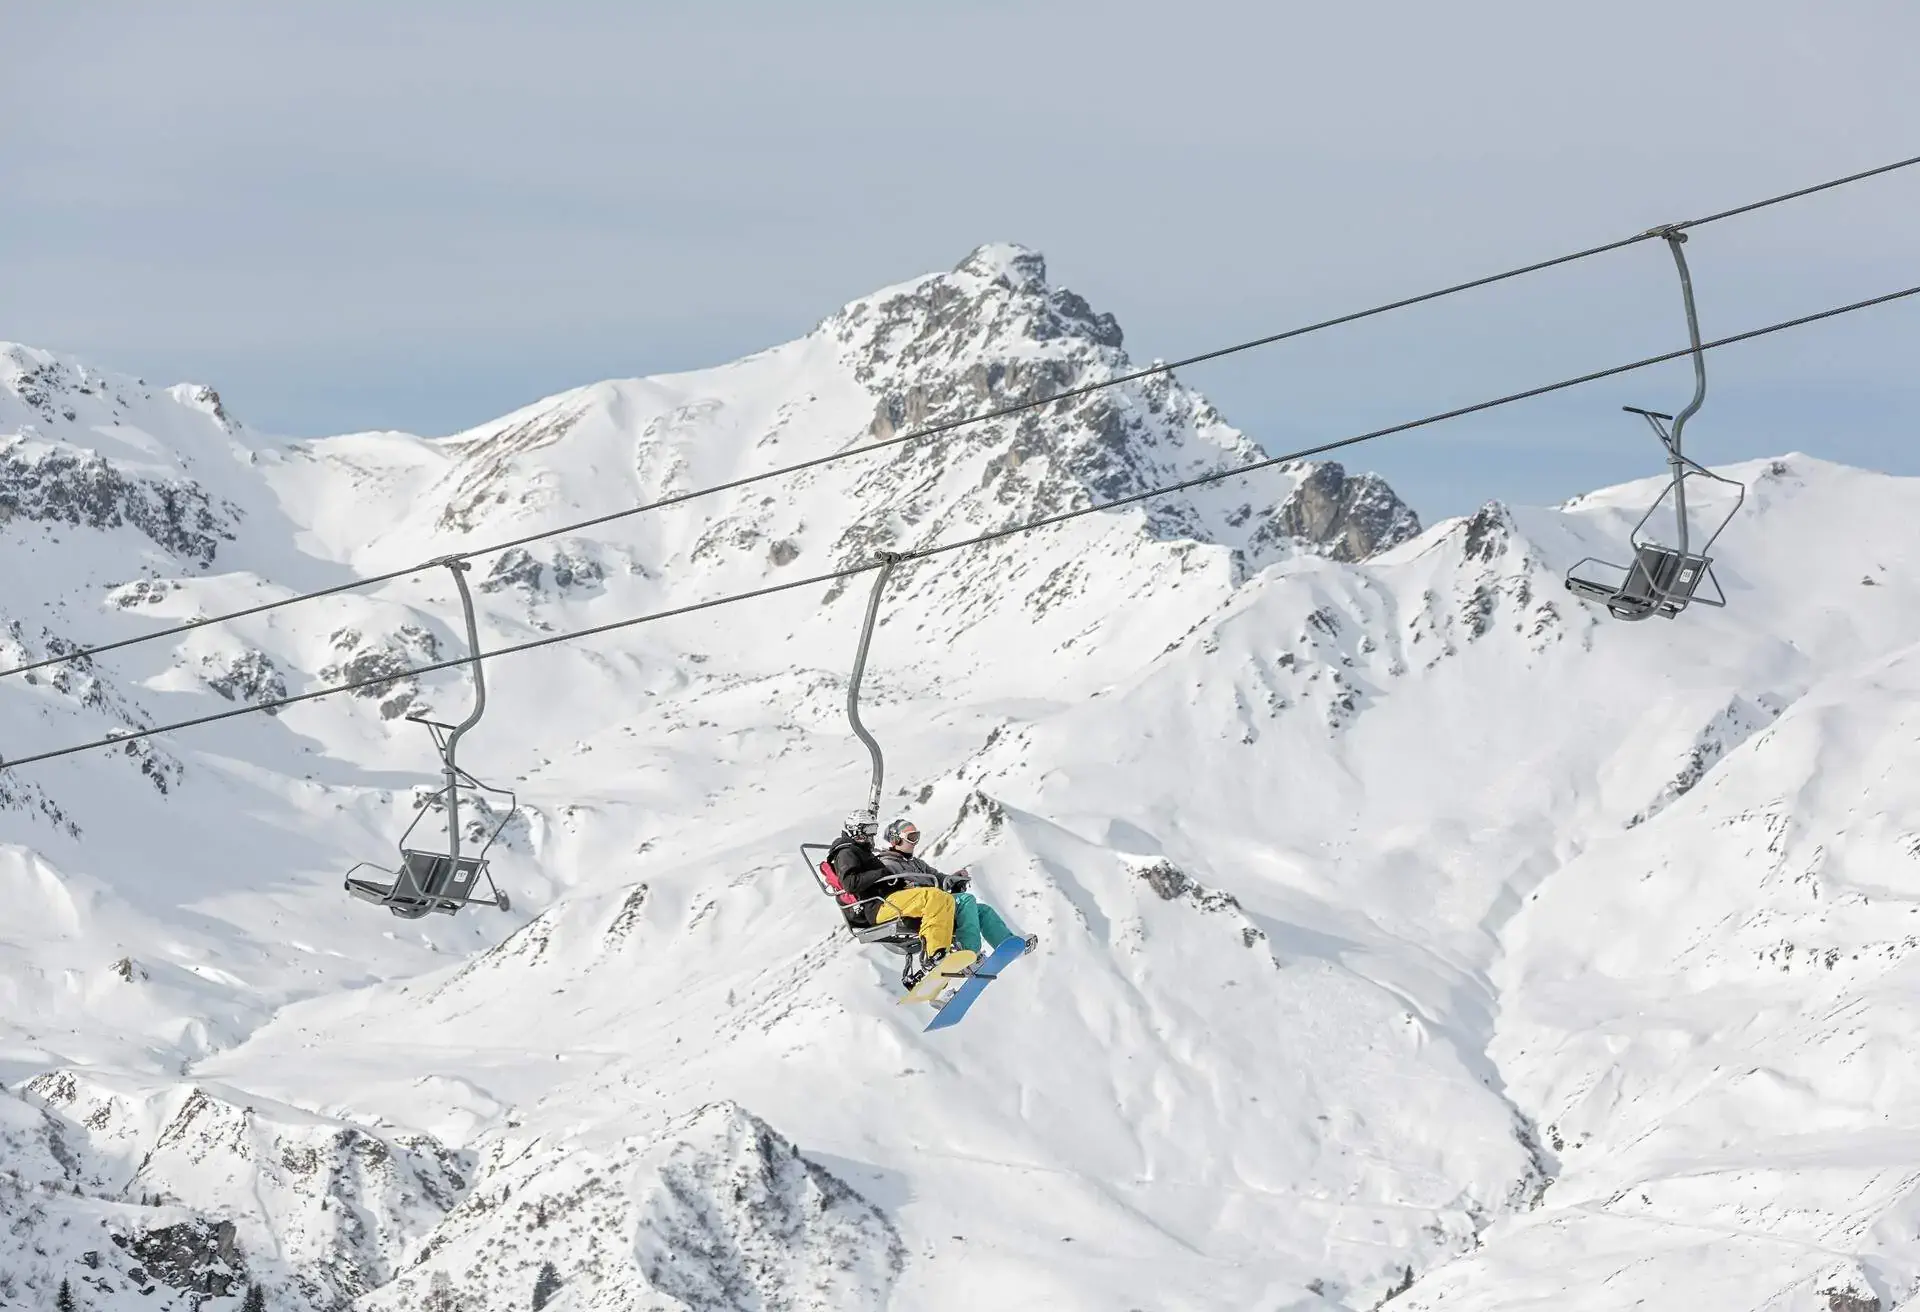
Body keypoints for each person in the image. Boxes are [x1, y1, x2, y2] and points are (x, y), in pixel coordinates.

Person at [874, 817, 1037, 962]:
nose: (915, 842)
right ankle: (969, 953)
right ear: (895, 840)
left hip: (937, 903)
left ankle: (1007, 947)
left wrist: (955, 878)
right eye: (911, 837)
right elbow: (898, 891)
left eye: (917, 836)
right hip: (917, 909)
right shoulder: (888, 864)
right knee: (966, 900)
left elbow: (938, 877)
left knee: (983, 911)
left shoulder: (917, 863)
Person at [827, 812, 961, 982]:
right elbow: (851, 884)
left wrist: (901, 883)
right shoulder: (846, 852)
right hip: (878, 906)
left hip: (890, 899)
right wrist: (882, 872)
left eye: (874, 829)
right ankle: (933, 956)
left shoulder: (861, 851)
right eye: (868, 829)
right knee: (933, 897)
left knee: (944, 899)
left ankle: (941, 958)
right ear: (856, 830)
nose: (872, 834)